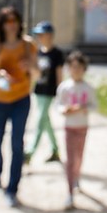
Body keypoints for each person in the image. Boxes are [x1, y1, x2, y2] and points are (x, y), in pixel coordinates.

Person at [0, 6, 38, 207]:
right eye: (7, 21)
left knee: (17, 144)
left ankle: (13, 188)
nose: (11, 25)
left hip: (21, 99)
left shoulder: (28, 46)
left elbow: (37, 74)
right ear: (1, 24)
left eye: (14, 20)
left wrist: (30, 68)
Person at [57, 50, 98, 210]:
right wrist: (65, 110)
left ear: (84, 69)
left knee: (79, 157)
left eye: (79, 67)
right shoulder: (64, 87)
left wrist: (83, 108)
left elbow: (94, 105)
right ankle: (69, 192)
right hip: (69, 127)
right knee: (70, 159)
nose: (76, 70)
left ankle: (77, 177)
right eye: (73, 67)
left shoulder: (88, 88)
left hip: (82, 127)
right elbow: (58, 105)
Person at [25, 21, 65, 165]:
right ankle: (55, 149)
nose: (40, 37)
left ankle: (29, 152)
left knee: (40, 121)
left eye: (42, 34)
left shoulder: (57, 53)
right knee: (45, 121)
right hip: (38, 91)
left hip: (50, 91)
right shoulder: (37, 52)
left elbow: (59, 74)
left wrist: (61, 93)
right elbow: (34, 74)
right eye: (39, 35)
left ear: (49, 35)